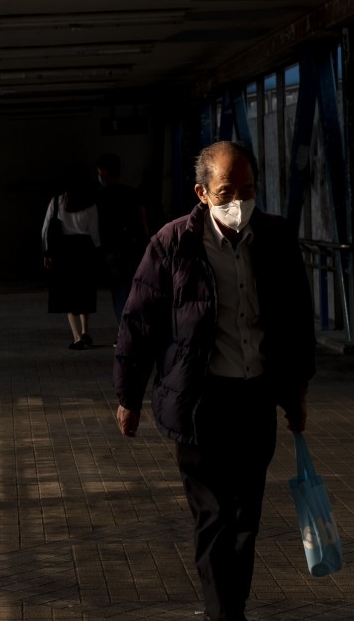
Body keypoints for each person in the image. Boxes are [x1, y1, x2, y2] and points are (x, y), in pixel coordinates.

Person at [113, 140, 315, 621]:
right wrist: (129, 397)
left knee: (246, 517)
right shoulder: (172, 244)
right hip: (200, 402)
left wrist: (296, 394)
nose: (239, 202)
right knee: (214, 516)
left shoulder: (276, 238)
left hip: (256, 398)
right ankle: (223, 613)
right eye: (227, 192)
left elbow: (295, 323)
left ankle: (231, 608)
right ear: (202, 193)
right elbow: (138, 322)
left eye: (248, 190)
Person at [42, 165, 101, 350]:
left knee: (68, 294)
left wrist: (47, 252)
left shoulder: (57, 201)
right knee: (84, 291)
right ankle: (85, 331)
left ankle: (76, 337)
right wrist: (98, 251)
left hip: (65, 251)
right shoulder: (90, 204)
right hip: (85, 250)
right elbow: (95, 233)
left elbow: (45, 229)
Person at [95, 153, 151, 326]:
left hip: (112, 250)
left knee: (118, 291)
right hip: (134, 248)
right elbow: (143, 222)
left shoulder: (100, 196)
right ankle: (136, 327)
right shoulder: (133, 193)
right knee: (134, 289)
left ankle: (124, 329)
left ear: (103, 172)